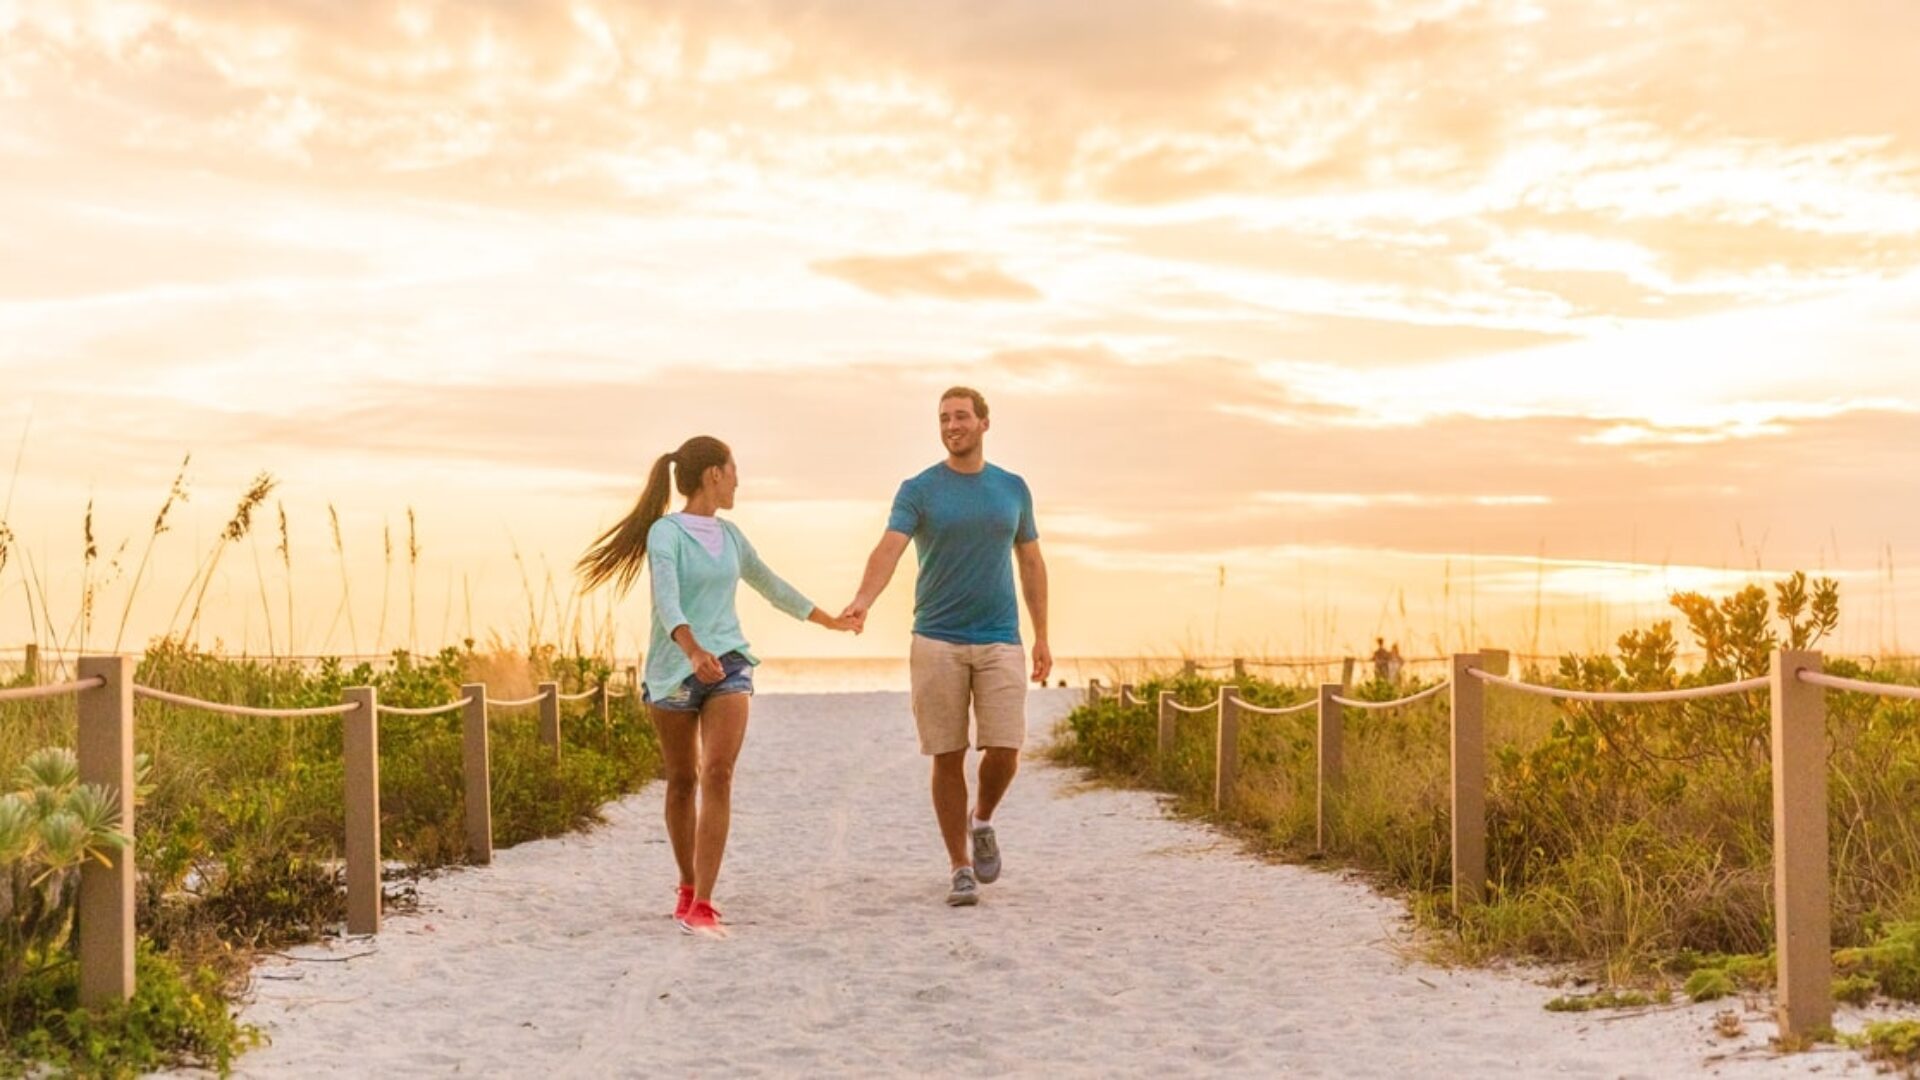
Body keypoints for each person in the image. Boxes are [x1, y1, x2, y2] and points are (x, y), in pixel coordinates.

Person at [577, 436, 855, 937]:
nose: (738, 480)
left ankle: (703, 900)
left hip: (729, 663)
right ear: (713, 475)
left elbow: (771, 585)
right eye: (733, 469)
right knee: (682, 780)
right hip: (674, 669)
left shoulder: (731, 537)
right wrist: (692, 650)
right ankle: (686, 884)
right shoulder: (666, 533)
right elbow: (667, 600)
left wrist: (827, 621)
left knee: (719, 774)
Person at [841, 387, 1050, 907]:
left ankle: (982, 821)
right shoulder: (919, 490)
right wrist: (863, 600)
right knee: (947, 754)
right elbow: (888, 549)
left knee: (1005, 748)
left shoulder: (1012, 489)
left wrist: (1043, 633)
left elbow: (1030, 563)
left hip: (1001, 636)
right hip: (936, 638)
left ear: (984, 423)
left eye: (961, 416)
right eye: (943, 418)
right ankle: (959, 865)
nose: (951, 425)